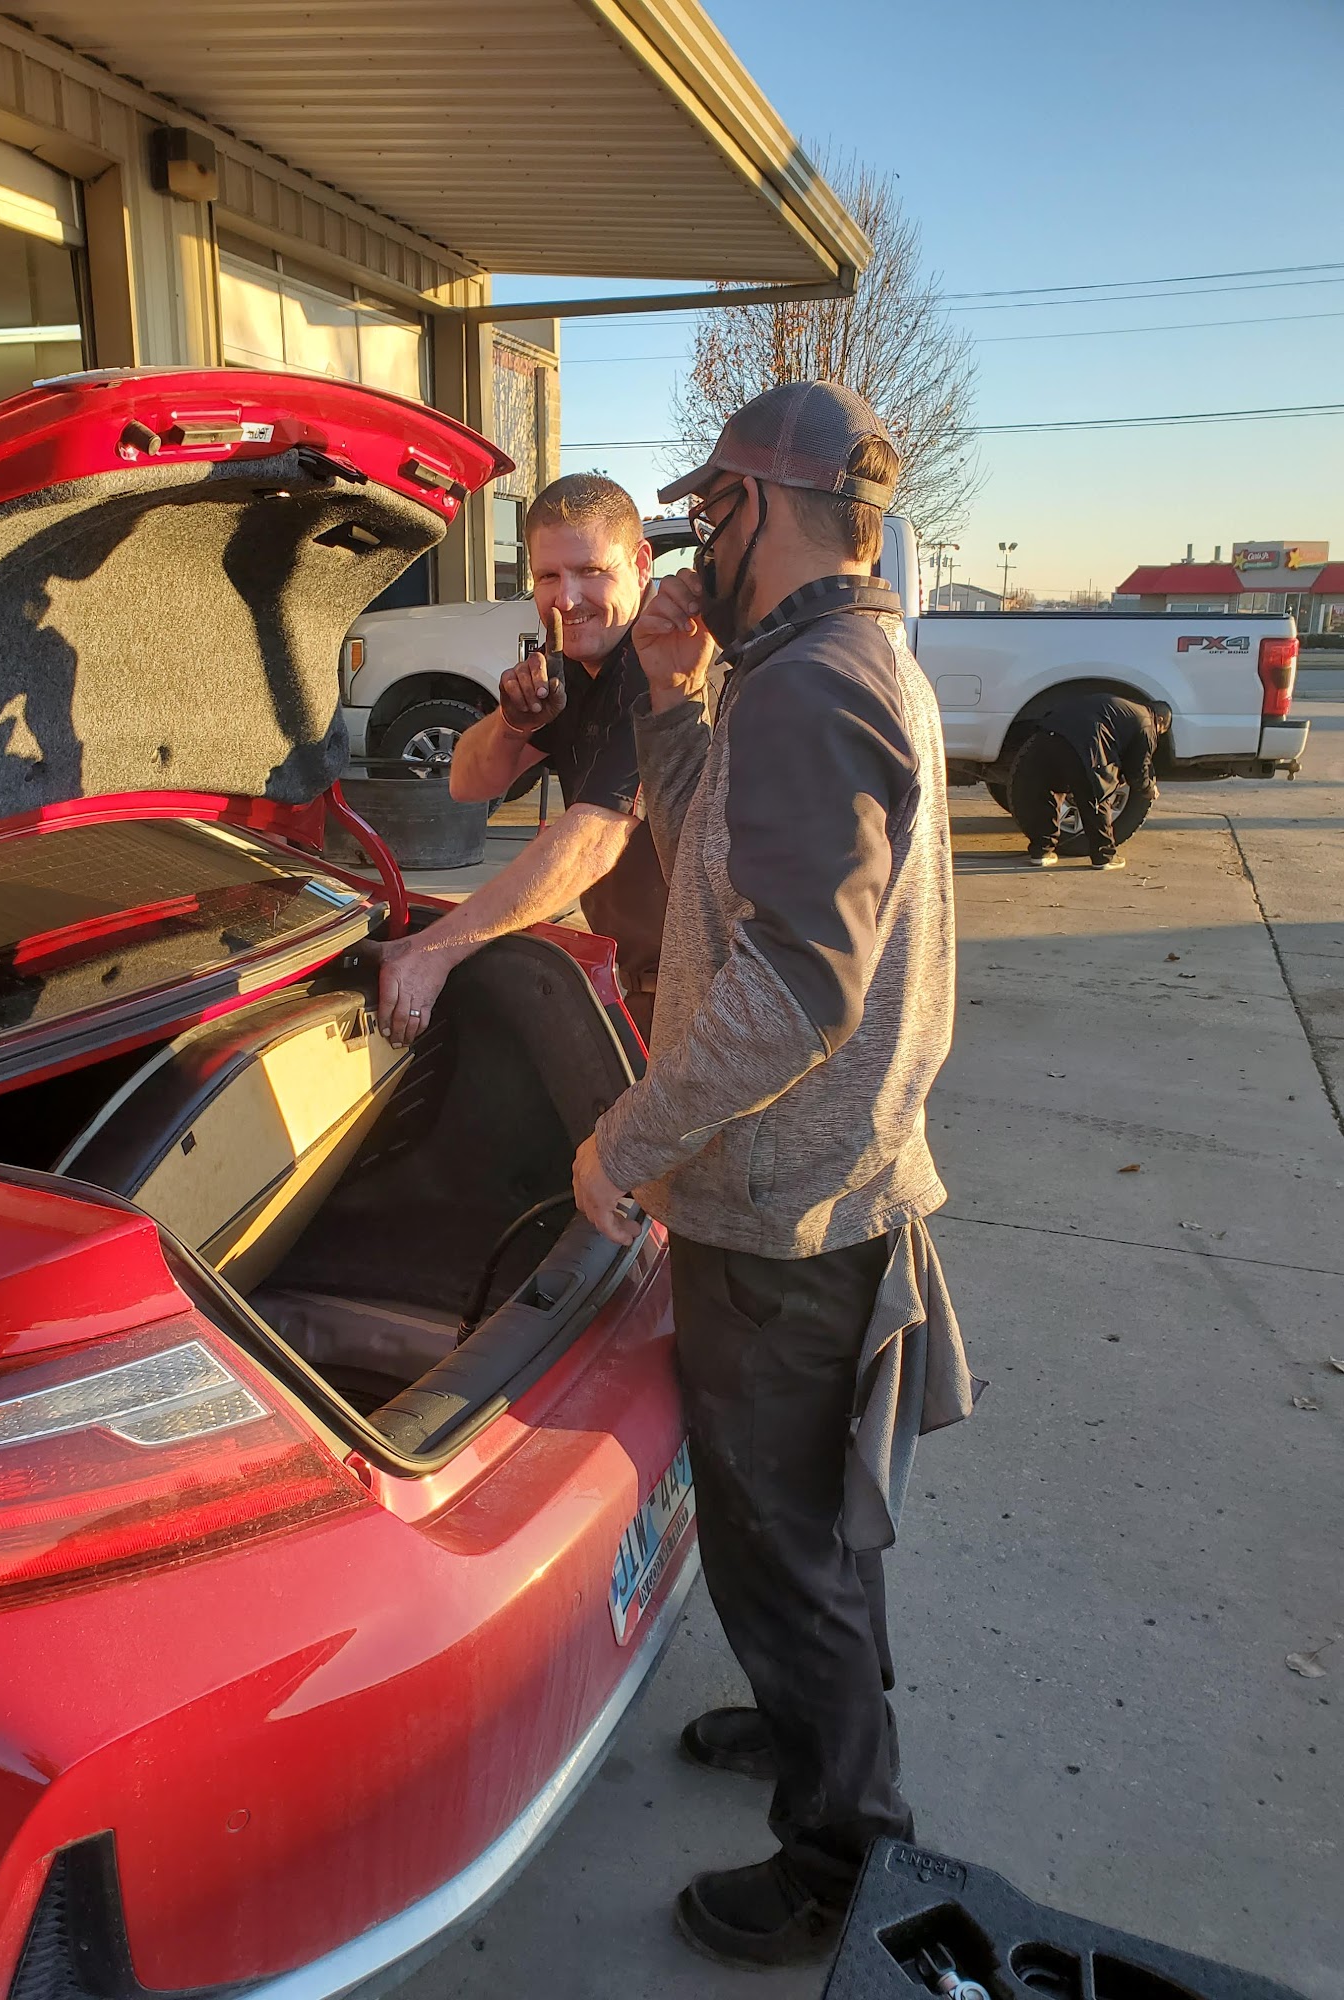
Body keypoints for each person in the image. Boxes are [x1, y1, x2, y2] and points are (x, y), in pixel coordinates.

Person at [569, 382, 979, 1969]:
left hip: (786, 1215)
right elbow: (713, 859)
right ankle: (812, 1725)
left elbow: (798, 988)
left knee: (785, 1547)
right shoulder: (818, 668)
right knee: (795, 1533)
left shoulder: (813, 688)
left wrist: (626, 1139)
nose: (692, 551)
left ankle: (840, 1857)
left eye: (705, 516)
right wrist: (674, 700)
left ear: (755, 507)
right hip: (819, 1189)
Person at [368, 474, 667, 1045]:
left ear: (641, 564)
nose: (566, 600)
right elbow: (465, 783)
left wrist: (436, 949)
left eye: (591, 571)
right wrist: (512, 724)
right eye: (548, 576)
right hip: (648, 985)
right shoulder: (573, 669)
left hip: (715, 999)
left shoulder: (662, 666)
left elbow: (591, 843)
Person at [1016, 691, 1171, 871]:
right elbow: (1138, 769)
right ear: (1160, 720)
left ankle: (1041, 852)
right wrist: (1149, 789)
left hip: (1047, 734)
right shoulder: (1147, 723)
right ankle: (1104, 857)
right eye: (1161, 732)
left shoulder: (1123, 709)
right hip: (1085, 743)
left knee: (1048, 789)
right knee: (1095, 795)